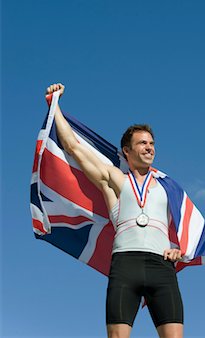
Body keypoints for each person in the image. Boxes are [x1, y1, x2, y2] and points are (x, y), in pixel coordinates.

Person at [46, 83, 184, 338]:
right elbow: (74, 148)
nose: (149, 147)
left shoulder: (169, 188)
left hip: (162, 268)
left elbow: (185, 229)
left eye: (152, 143)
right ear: (126, 151)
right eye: (142, 143)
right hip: (125, 265)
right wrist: (55, 107)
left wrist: (177, 247)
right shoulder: (115, 180)